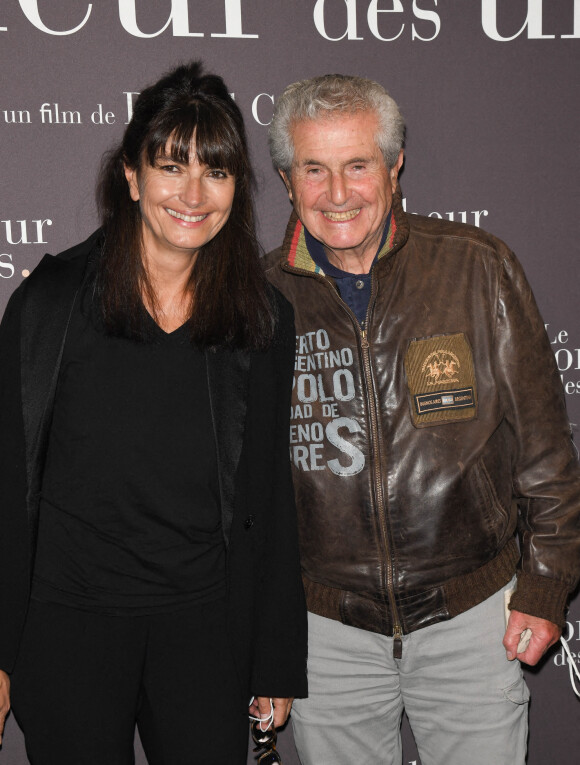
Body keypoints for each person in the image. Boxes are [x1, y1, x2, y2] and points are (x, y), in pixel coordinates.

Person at [263, 73, 580, 765]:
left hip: (473, 619)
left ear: (394, 166)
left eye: (358, 165)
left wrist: (547, 581)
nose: (338, 193)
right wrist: (261, 636)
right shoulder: (256, 303)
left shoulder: (479, 269)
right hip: (324, 632)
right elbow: (237, 493)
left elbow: (547, 452)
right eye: (314, 169)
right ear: (287, 179)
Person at [0, 61, 306, 765]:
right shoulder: (51, 302)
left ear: (238, 187)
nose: (194, 193)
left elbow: (268, 496)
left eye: (217, 171)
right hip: (68, 624)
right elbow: (6, 487)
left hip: (202, 628)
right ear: (132, 178)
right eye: (172, 166)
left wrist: (273, 657)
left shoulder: (261, 318)